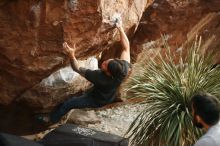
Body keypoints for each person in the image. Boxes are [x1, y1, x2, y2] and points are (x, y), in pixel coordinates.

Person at [37, 18, 131, 123]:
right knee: (86, 93)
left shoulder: (99, 77)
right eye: (107, 61)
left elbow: (76, 68)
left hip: (96, 100)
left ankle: (52, 119)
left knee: (69, 103)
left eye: (105, 65)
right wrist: (120, 27)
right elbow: (126, 47)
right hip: (108, 94)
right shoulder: (123, 69)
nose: (103, 62)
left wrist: (71, 55)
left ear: (108, 73)